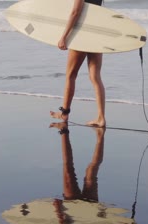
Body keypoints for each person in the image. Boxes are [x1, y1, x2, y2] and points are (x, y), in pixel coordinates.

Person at [50, 0, 106, 128]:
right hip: (96, 33)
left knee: (71, 75)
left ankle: (64, 113)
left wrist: (64, 36)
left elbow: (76, 12)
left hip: (82, 34)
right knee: (95, 76)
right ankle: (101, 118)